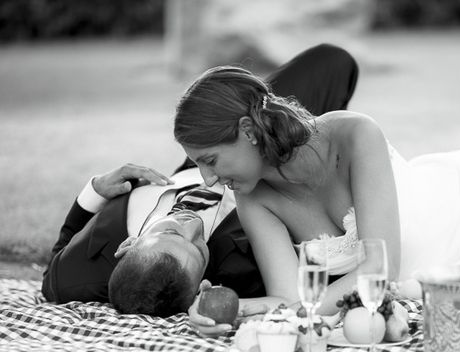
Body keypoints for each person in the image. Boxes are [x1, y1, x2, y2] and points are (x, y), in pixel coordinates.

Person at [173, 63, 460, 336]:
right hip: (420, 277)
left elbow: (379, 271)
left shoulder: (352, 134)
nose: (209, 180)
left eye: (211, 160)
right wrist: (238, 310)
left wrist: (294, 309)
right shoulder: (255, 198)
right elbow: (293, 300)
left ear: (250, 132)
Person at [41, 44, 359, 317]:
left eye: (171, 231)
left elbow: (54, 265)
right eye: (198, 247)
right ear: (202, 284)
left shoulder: (72, 278)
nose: (192, 226)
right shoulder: (243, 273)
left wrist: (94, 192)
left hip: (196, 160)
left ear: (128, 246)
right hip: (257, 165)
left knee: (329, 58)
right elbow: (313, 280)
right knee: (334, 66)